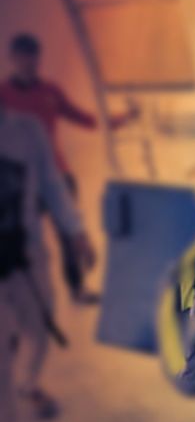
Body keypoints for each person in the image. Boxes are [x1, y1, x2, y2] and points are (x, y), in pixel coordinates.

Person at [0, 98, 96, 422]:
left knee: (40, 330)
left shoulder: (26, 131)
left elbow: (52, 185)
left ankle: (28, 383)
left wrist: (75, 232)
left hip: (27, 252)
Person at [0, 32, 138, 304]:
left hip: (56, 173)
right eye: (21, 56)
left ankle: (77, 289)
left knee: (69, 234)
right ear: (12, 59)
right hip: (21, 184)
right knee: (24, 240)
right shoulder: (3, 94)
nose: (27, 62)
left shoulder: (50, 92)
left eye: (31, 56)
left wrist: (124, 118)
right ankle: (29, 300)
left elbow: (86, 118)